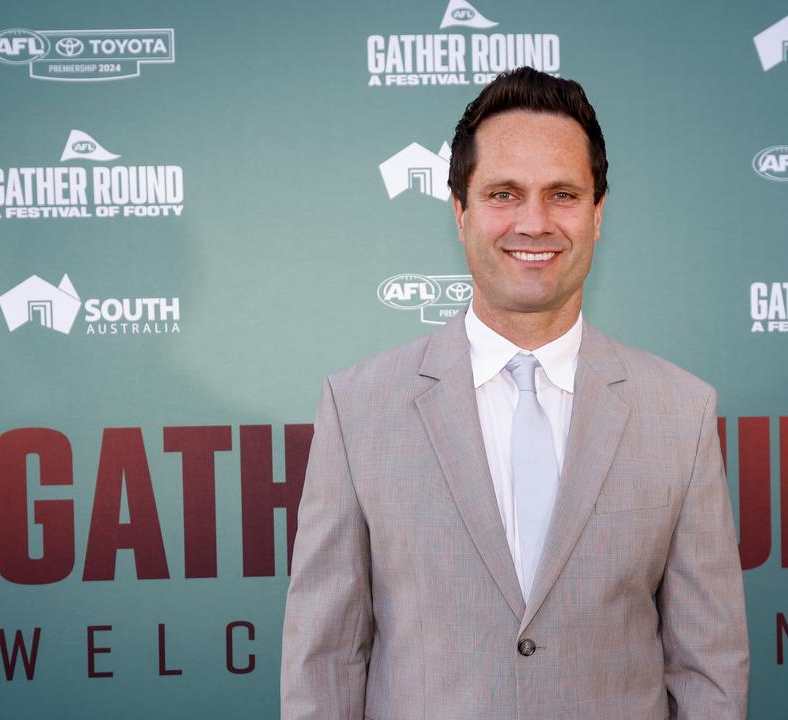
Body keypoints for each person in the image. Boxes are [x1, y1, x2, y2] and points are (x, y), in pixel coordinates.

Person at [281, 67, 748, 719]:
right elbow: (324, 660)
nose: (533, 223)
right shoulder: (357, 408)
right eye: (504, 193)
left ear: (597, 213)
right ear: (461, 211)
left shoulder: (681, 412)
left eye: (562, 194)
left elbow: (710, 668)